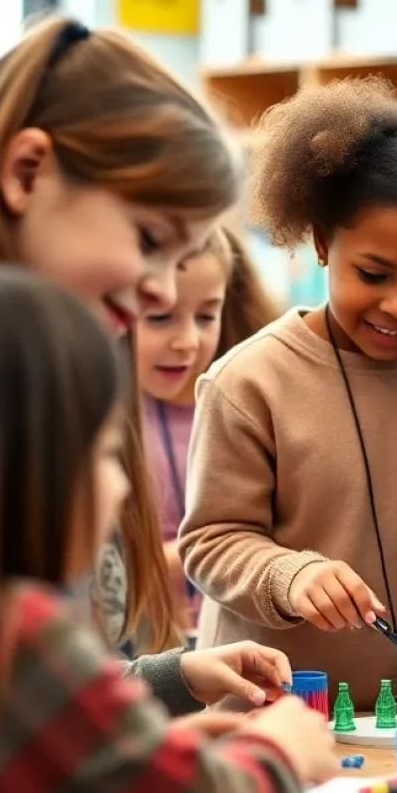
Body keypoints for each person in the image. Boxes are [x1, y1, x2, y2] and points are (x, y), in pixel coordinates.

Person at [179, 75, 397, 710]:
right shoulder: (247, 382)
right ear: (321, 242)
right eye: (372, 274)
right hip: (270, 713)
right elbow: (211, 541)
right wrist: (293, 575)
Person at [0, 266, 337, 793]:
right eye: (102, 458)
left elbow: (65, 739)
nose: (122, 487)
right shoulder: (18, 634)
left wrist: (177, 678)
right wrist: (278, 753)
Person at [0, 13, 291, 713]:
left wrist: (173, 680)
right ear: (27, 171)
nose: (161, 288)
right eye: (150, 239)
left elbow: (43, 704)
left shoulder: (57, 370)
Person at [138, 223, 278, 635]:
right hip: (143, 646)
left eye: (205, 316)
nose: (187, 341)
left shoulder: (251, 404)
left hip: (240, 635)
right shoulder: (107, 422)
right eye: (161, 317)